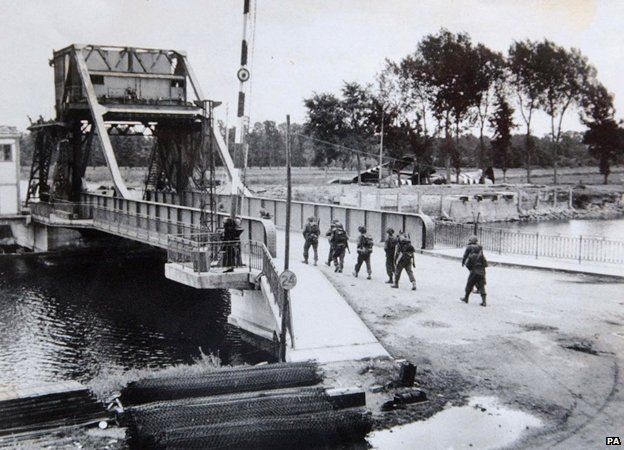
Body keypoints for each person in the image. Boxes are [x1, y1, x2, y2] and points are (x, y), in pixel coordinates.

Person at [460, 235, 488, 307]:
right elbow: (485, 263)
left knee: (469, 284)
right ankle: (484, 302)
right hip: (482, 271)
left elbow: (466, 258)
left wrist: (463, 262)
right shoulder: (481, 253)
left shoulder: (470, 253)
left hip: (474, 271)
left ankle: (466, 298)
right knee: (482, 285)